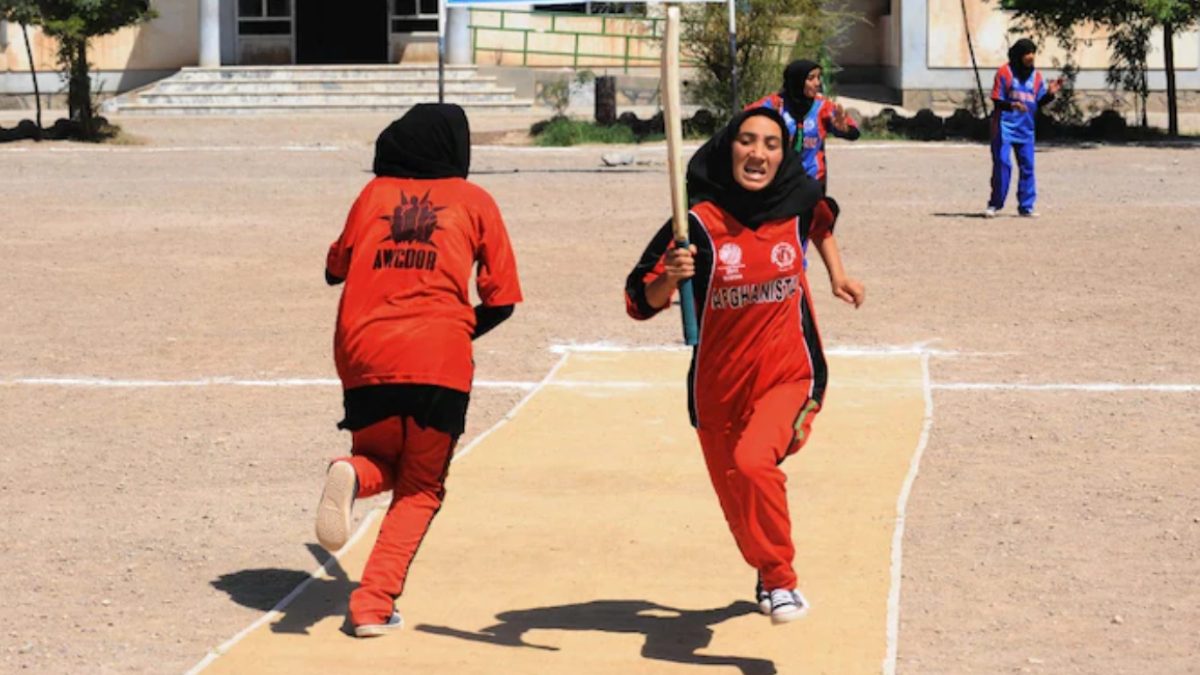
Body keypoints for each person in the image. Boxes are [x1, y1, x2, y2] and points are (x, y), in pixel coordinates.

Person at [624, 108, 865, 624]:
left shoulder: (798, 204)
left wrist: (837, 276)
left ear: (783, 155)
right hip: (717, 391)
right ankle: (765, 569)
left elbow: (821, 225)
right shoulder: (696, 223)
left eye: (771, 144)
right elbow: (638, 301)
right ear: (728, 149)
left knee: (755, 463)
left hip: (788, 373)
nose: (758, 153)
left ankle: (781, 581)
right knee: (742, 515)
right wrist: (670, 279)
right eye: (748, 141)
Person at [316, 103, 522, 638]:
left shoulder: (373, 195)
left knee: (381, 459)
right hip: (438, 358)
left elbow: (334, 269)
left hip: (364, 354)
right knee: (422, 488)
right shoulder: (475, 201)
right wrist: (453, 331)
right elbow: (502, 301)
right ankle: (371, 605)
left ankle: (353, 473)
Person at [747, 59, 860, 188]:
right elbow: (742, 122)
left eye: (819, 77)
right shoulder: (775, 104)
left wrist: (845, 129)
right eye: (811, 78)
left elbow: (854, 133)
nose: (817, 83)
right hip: (778, 179)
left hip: (812, 179)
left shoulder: (823, 107)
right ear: (797, 81)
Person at [985, 38, 1062, 218]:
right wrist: (1012, 105)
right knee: (1003, 164)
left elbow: (1038, 101)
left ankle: (1026, 206)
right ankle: (995, 204)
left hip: (1026, 128)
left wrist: (1050, 95)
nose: (1031, 56)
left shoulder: (1036, 77)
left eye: (1033, 52)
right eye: (1027, 53)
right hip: (1004, 127)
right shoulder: (1004, 72)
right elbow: (997, 100)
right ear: (1018, 55)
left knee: (1027, 166)